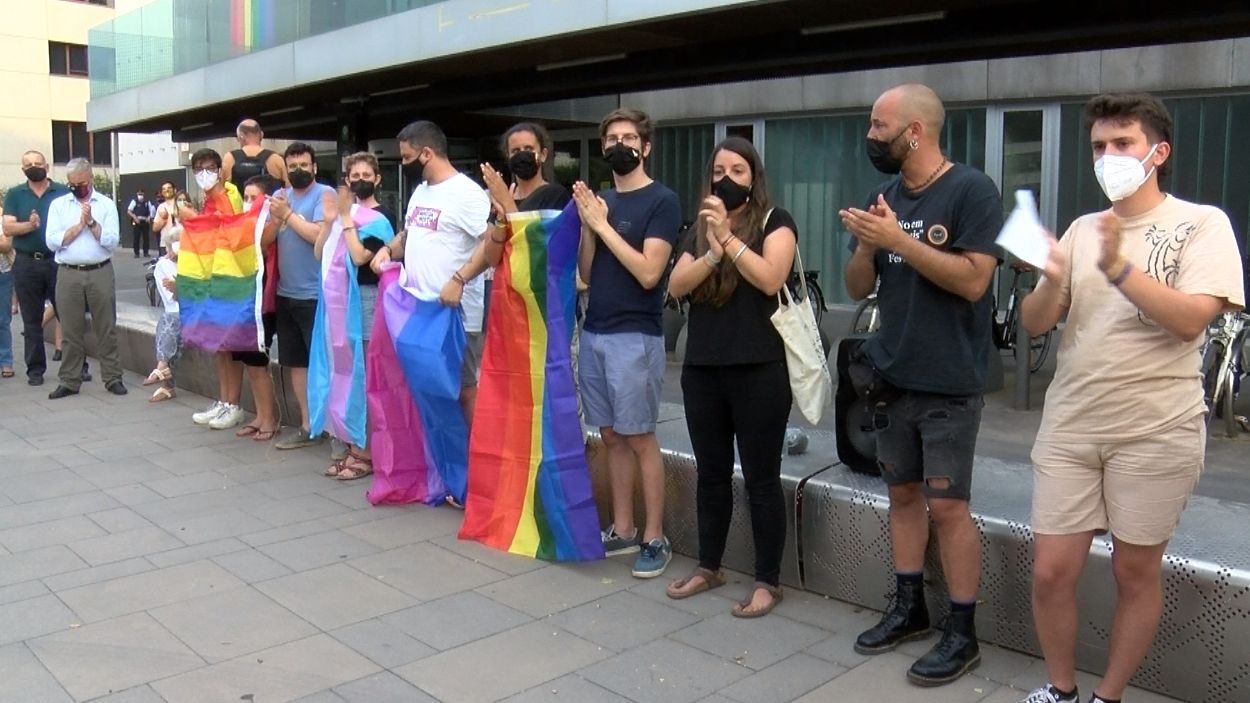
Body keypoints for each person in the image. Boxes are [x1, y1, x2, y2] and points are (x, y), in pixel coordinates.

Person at [1016, 94, 1245, 703]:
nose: (1108, 156)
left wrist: (1121, 272)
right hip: (1070, 426)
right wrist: (1055, 277)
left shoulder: (1202, 223)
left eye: (1123, 144)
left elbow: (1192, 320)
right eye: (1098, 146)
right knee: (1050, 571)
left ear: (1157, 152)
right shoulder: (1081, 229)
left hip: (1155, 429)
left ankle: (1107, 697)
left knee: (1134, 571)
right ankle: (1060, 689)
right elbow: (1036, 321)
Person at [839, 84, 1002, 686]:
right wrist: (865, 244)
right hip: (890, 374)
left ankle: (963, 631)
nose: (870, 135)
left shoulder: (971, 190)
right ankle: (910, 607)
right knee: (902, 496)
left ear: (915, 131)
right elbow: (858, 287)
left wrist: (898, 241)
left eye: (880, 125)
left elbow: (973, 282)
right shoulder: (881, 196)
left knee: (949, 507)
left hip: (949, 382)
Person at [664, 136, 797, 616]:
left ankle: (768, 580)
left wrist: (731, 240)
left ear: (754, 177)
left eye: (738, 171)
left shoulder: (774, 221)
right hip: (703, 370)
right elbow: (676, 286)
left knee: (761, 478)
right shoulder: (699, 229)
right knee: (712, 475)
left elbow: (770, 278)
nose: (726, 179)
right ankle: (709, 565)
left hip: (759, 369)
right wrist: (713, 251)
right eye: (719, 170)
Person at [572, 107, 681, 579]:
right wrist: (586, 226)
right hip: (594, 330)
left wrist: (601, 226)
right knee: (611, 436)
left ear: (646, 147)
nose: (620, 144)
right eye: (612, 137)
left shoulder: (662, 201)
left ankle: (655, 537)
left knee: (639, 436)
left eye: (629, 137)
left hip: (634, 337)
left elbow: (649, 271)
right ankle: (622, 526)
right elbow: (587, 274)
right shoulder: (599, 202)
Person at [371, 121, 492, 430]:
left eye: (406, 157)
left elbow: (492, 243)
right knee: (431, 392)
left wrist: (460, 279)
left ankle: (474, 466)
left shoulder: (467, 193)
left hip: (456, 315)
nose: (403, 164)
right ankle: (445, 466)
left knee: (463, 389)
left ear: (426, 153)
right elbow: (410, 233)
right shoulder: (420, 192)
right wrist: (388, 249)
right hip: (421, 311)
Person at [315, 171, 395, 480]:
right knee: (343, 372)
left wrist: (346, 218)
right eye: (353, 176)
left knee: (364, 375)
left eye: (366, 175)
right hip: (340, 306)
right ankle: (352, 445)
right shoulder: (342, 216)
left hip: (366, 303)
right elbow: (319, 253)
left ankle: (366, 452)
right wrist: (328, 221)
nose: (359, 180)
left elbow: (360, 256)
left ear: (377, 178)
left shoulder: (379, 219)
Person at [267, 142, 334, 450]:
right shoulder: (281, 198)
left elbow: (319, 236)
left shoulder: (325, 195)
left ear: (315, 167)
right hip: (285, 293)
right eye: (292, 166)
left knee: (324, 363)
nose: (298, 171)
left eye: (304, 165)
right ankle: (308, 427)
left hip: (315, 296)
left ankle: (334, 429)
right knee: (296, 363)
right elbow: (266, 240)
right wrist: (276, 217)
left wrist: (288, 215)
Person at [44, 158, 126, 399]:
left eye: (80, 183)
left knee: (106, 327)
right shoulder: (59, 205)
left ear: (90, 179)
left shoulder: (106, 204)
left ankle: (113, 378)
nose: (76, 187)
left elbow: (111, 241)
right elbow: (52, 241)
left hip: (99, 270)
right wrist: (77, 227)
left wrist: (91, 222)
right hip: (68, 272)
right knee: (70, 330)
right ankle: (70, 380)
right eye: (71, 183)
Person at [185, 148, 251, 430]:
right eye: (198, 168)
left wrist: (193, 220)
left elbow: (229, 229)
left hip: (229, 279)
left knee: (228, 343)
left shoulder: (229, 195)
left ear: (220, 169)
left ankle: (233, 404)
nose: (204, 173)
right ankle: (224, 400)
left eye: (208, 167)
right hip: (212, 277)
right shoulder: (209, 198)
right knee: (218, 345)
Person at [3, 150, 69, 386]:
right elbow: (8, 228)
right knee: (31, 320)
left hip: (58, 261)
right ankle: (35, 370)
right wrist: (29, 226)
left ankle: (76, 367)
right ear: (23, 169)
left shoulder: (62, 192)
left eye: (38, 163)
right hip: (26, 262)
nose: (34, 167)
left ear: (47, 166)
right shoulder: (15, 194)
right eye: (29, 164)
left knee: (67, 315)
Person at [230, 175, 283, 442]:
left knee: (258, 358)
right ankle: (261, 416)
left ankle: (270, 420)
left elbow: (264, 242)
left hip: (265, 301)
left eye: (254, 198)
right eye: (246, 197)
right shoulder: (244, 224)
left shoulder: (272, 223)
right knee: (251, 361)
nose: (248, 203)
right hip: (247, 300)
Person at [144, 232, 180, 402]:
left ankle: (162, 371)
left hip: (196, 313)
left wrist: (181, 287)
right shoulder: (163, 265)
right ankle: (164, 371)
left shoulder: (194, 262)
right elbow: (171, 298)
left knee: (169, 321)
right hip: (176, 312)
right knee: (169, 321)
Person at [223, 119, 288, 186]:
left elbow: (221, 188)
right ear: (262, 135)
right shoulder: (275, 158)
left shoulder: (229, 158)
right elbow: (288, 189)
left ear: (241, 136)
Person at [152, 182, 184, 256]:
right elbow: (154, 228)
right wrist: (163, 220)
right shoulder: (161, 207)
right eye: (164, 189)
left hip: (181, 242)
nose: (167, 190)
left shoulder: (180, 203)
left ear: (174, 190)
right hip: (165, 244)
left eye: (169, 188)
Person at [126, 188, 155, 258]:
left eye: (141, 194)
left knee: (146, 238)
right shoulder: (134, 202)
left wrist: (149, 217)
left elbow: (152, 211)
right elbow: (129, 211)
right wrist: (134, 217)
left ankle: (146, 253)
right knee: (136, 238)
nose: (140, 195)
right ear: (136, 194)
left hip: (145, 221)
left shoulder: (147, 202)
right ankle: (136, 253)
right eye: (139, 194)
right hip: (137, 221)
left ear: (144, 194)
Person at [0, 226, 13, 379]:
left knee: (3, 320)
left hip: (3, 274)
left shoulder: (2, 218)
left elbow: (6, 246)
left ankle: (5, 360)